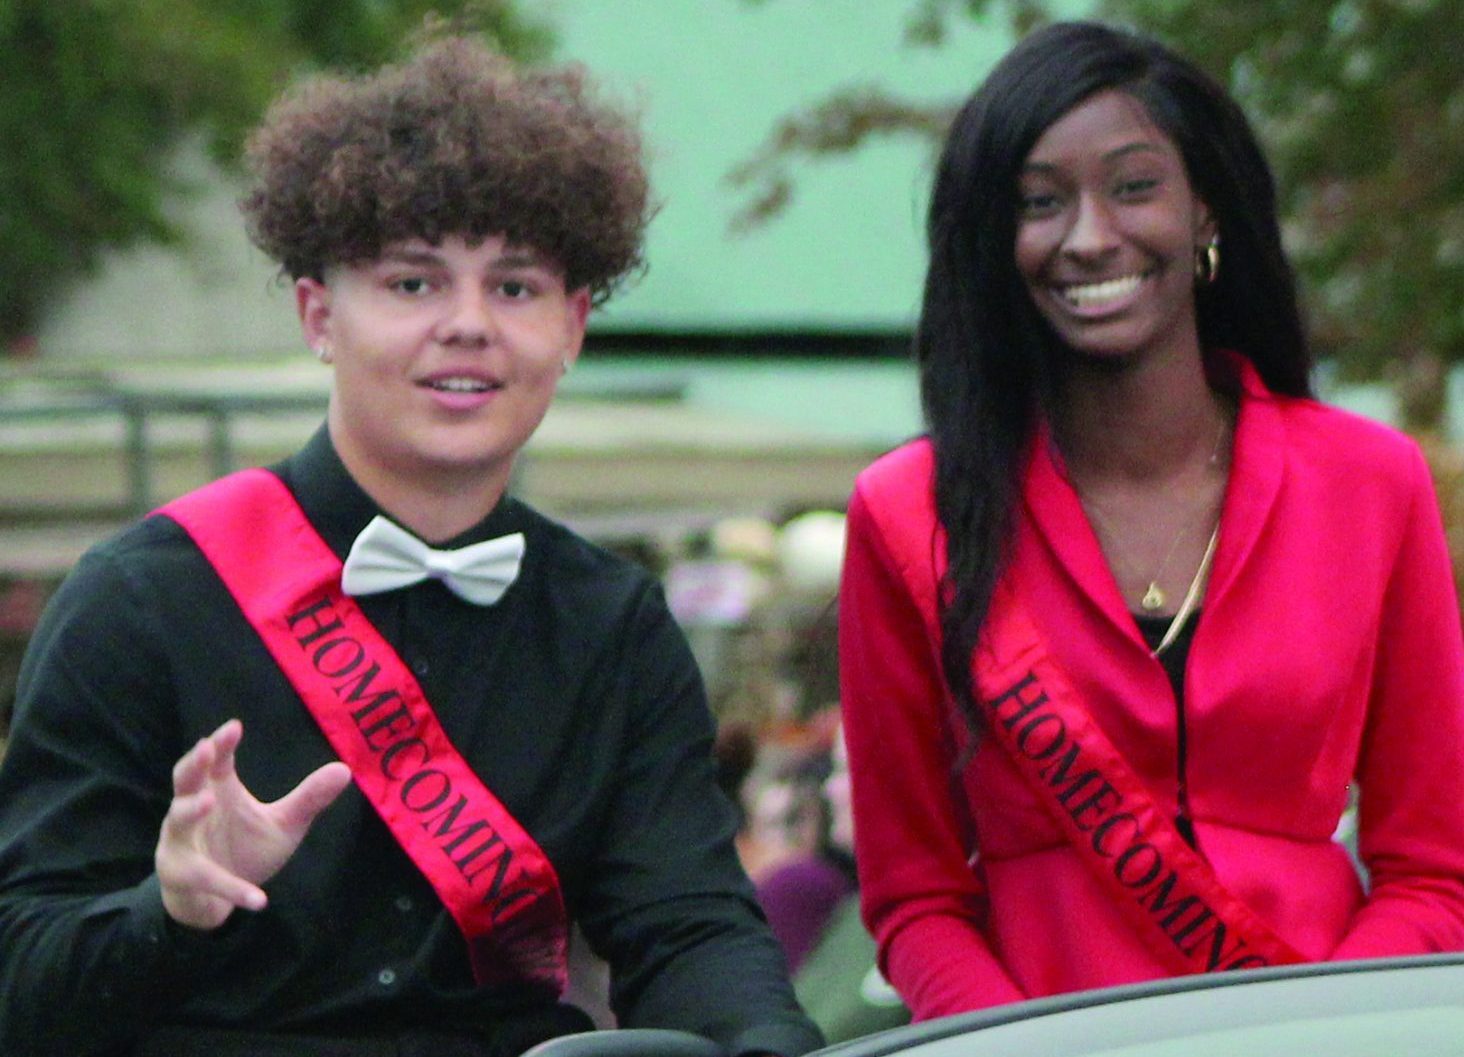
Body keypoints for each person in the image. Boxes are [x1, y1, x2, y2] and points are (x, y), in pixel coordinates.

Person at [0, 38, 822, 1057]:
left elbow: (690, 926)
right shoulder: (141, 600)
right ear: (318, 315)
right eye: (413, 284)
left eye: (515, 288)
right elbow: (20, 984)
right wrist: (170, 909)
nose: (469, 326)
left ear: (573, 328)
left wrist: (767, 1041)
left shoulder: (615, 625)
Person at [838, 19, 1464, 1022]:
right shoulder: (909, 515)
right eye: (1041, 202)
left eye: (1134, 186)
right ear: (997, 239)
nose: (1089, 237)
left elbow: (1436, 872)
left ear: (1205, 206)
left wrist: (1327, 1035)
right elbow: (916, 902)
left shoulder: (1372, 481)